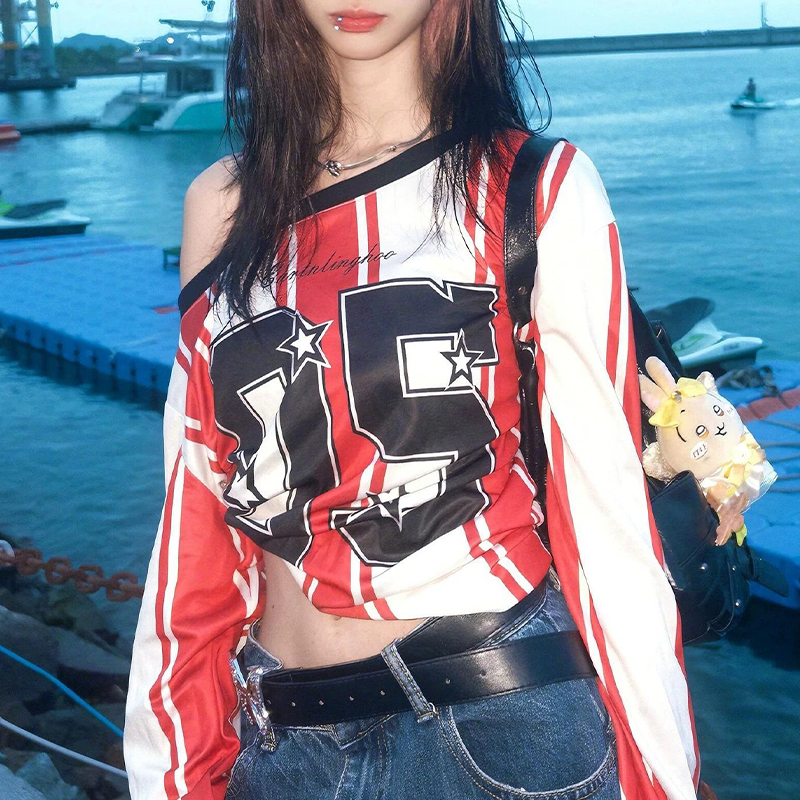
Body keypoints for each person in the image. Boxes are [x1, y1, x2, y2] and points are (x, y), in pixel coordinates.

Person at [123, 2, 701, 799]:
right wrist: (171, 770)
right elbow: (198, 511)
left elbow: (607, 517)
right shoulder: (222, 203)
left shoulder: (534, 182)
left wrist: (663, 774)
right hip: (283, 737)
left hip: (502, 725)